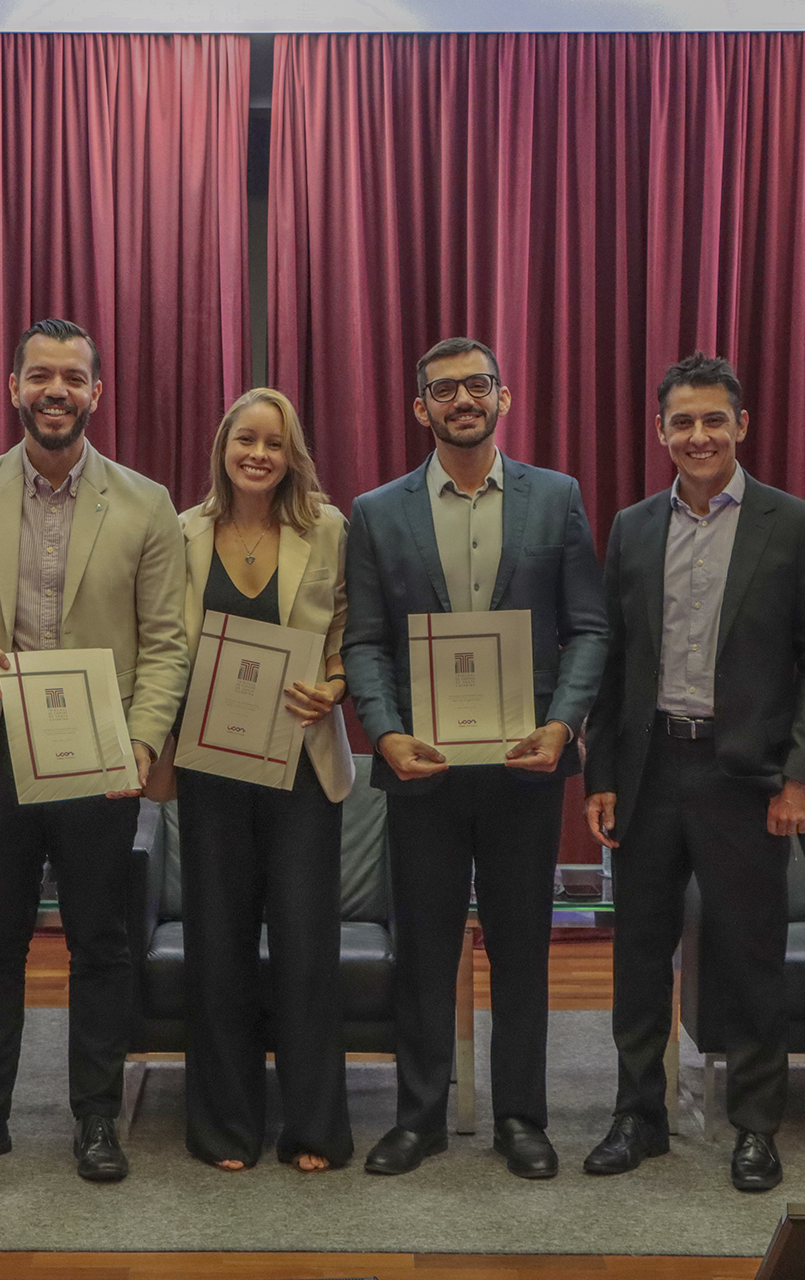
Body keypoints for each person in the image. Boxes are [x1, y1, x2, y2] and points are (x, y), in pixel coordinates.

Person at [0, 318, 190, 1183]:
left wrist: (142, 741)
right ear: (14, 387)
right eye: (40, 376)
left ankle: (97, 1116)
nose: (55, 391)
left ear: (96, 392)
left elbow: (167, 643)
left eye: (72, 377)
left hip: (100, 756)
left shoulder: (145, 502)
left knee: (100, 942)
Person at [583, 351, 805, 1193]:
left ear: (742, 425)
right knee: (638, 951)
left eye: (712, 420)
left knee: (749, 954)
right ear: (660, 431)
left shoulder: (793, 523)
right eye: (681, 422)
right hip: (650, 769)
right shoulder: (633, 526)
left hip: (747, 777)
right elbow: (613, 660)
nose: (697, 436)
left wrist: (802, 776)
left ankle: (756, 1125)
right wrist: (601, 773)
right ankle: (639, 1115)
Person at [341, 336, 608, 1179]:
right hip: (420, 768)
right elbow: (365, 641)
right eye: (445, 389)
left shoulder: (555, 497)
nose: (463, 399)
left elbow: (588, 628)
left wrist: (562, 726)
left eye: (478, 385)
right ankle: (418, 1118)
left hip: (525, 766)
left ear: (504, 397)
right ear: (420, 406)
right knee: (423, 948)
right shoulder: (376, 511)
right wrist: (384, 732)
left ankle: (521, 1118)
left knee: (521, 948)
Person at [172, 388, 356, 1172]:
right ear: (222, 447)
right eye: (244, 439)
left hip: (302, 766)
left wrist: (336, 686)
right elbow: (163, 641)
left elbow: (349, 628)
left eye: (273, 443)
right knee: (217, 944)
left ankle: (313, 1128)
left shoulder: (329, 528)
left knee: (307, 946)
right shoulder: (183, 532)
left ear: (292, 455)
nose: (258, 454)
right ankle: (225, 1127)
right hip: (211, 765)